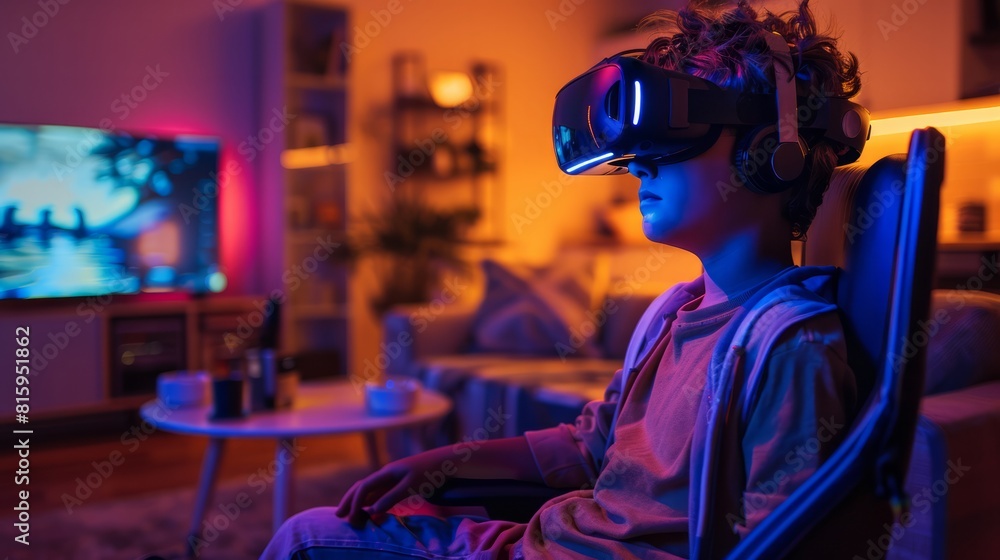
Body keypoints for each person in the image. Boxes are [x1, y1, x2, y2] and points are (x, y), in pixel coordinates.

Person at [262, 1, 864, 558]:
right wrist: (441, 462)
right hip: (539, 538)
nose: (639, 164)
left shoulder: (787, 347)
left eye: (673, 137)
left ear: (767, 152)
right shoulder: (671, 313)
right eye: (636, 149)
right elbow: (595, 445)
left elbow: (778, 541)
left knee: (305, 539)